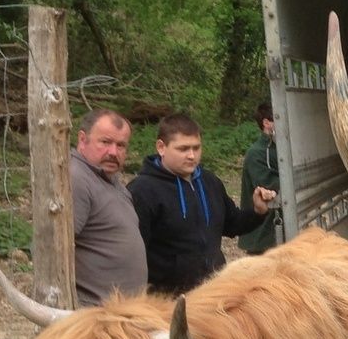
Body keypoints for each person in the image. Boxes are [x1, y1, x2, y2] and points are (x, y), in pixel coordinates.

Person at [129, 113, 277, 296]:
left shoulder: (209, 182)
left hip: (214, 291)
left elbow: (233, 225)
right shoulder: (142, 191)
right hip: (167, 301)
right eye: (183, 149)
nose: (191, 156)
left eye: (196, 148)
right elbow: (133, 255)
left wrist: (257, 211)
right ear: (161, 147)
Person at [69, 107, 147, 306]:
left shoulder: (110, 180)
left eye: (121, 145)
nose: (113, 152)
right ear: (82, 139)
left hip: (123, 312)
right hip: (94, 315)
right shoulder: (76, 178)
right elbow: (56, 248)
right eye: (105, 142)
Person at [238, 100, 281, 255]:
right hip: (261, 238)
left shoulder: (279, 148)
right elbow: (268, 185)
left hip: (277, 237)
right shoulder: (257, 153)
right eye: (280, 119)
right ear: (266, 123)